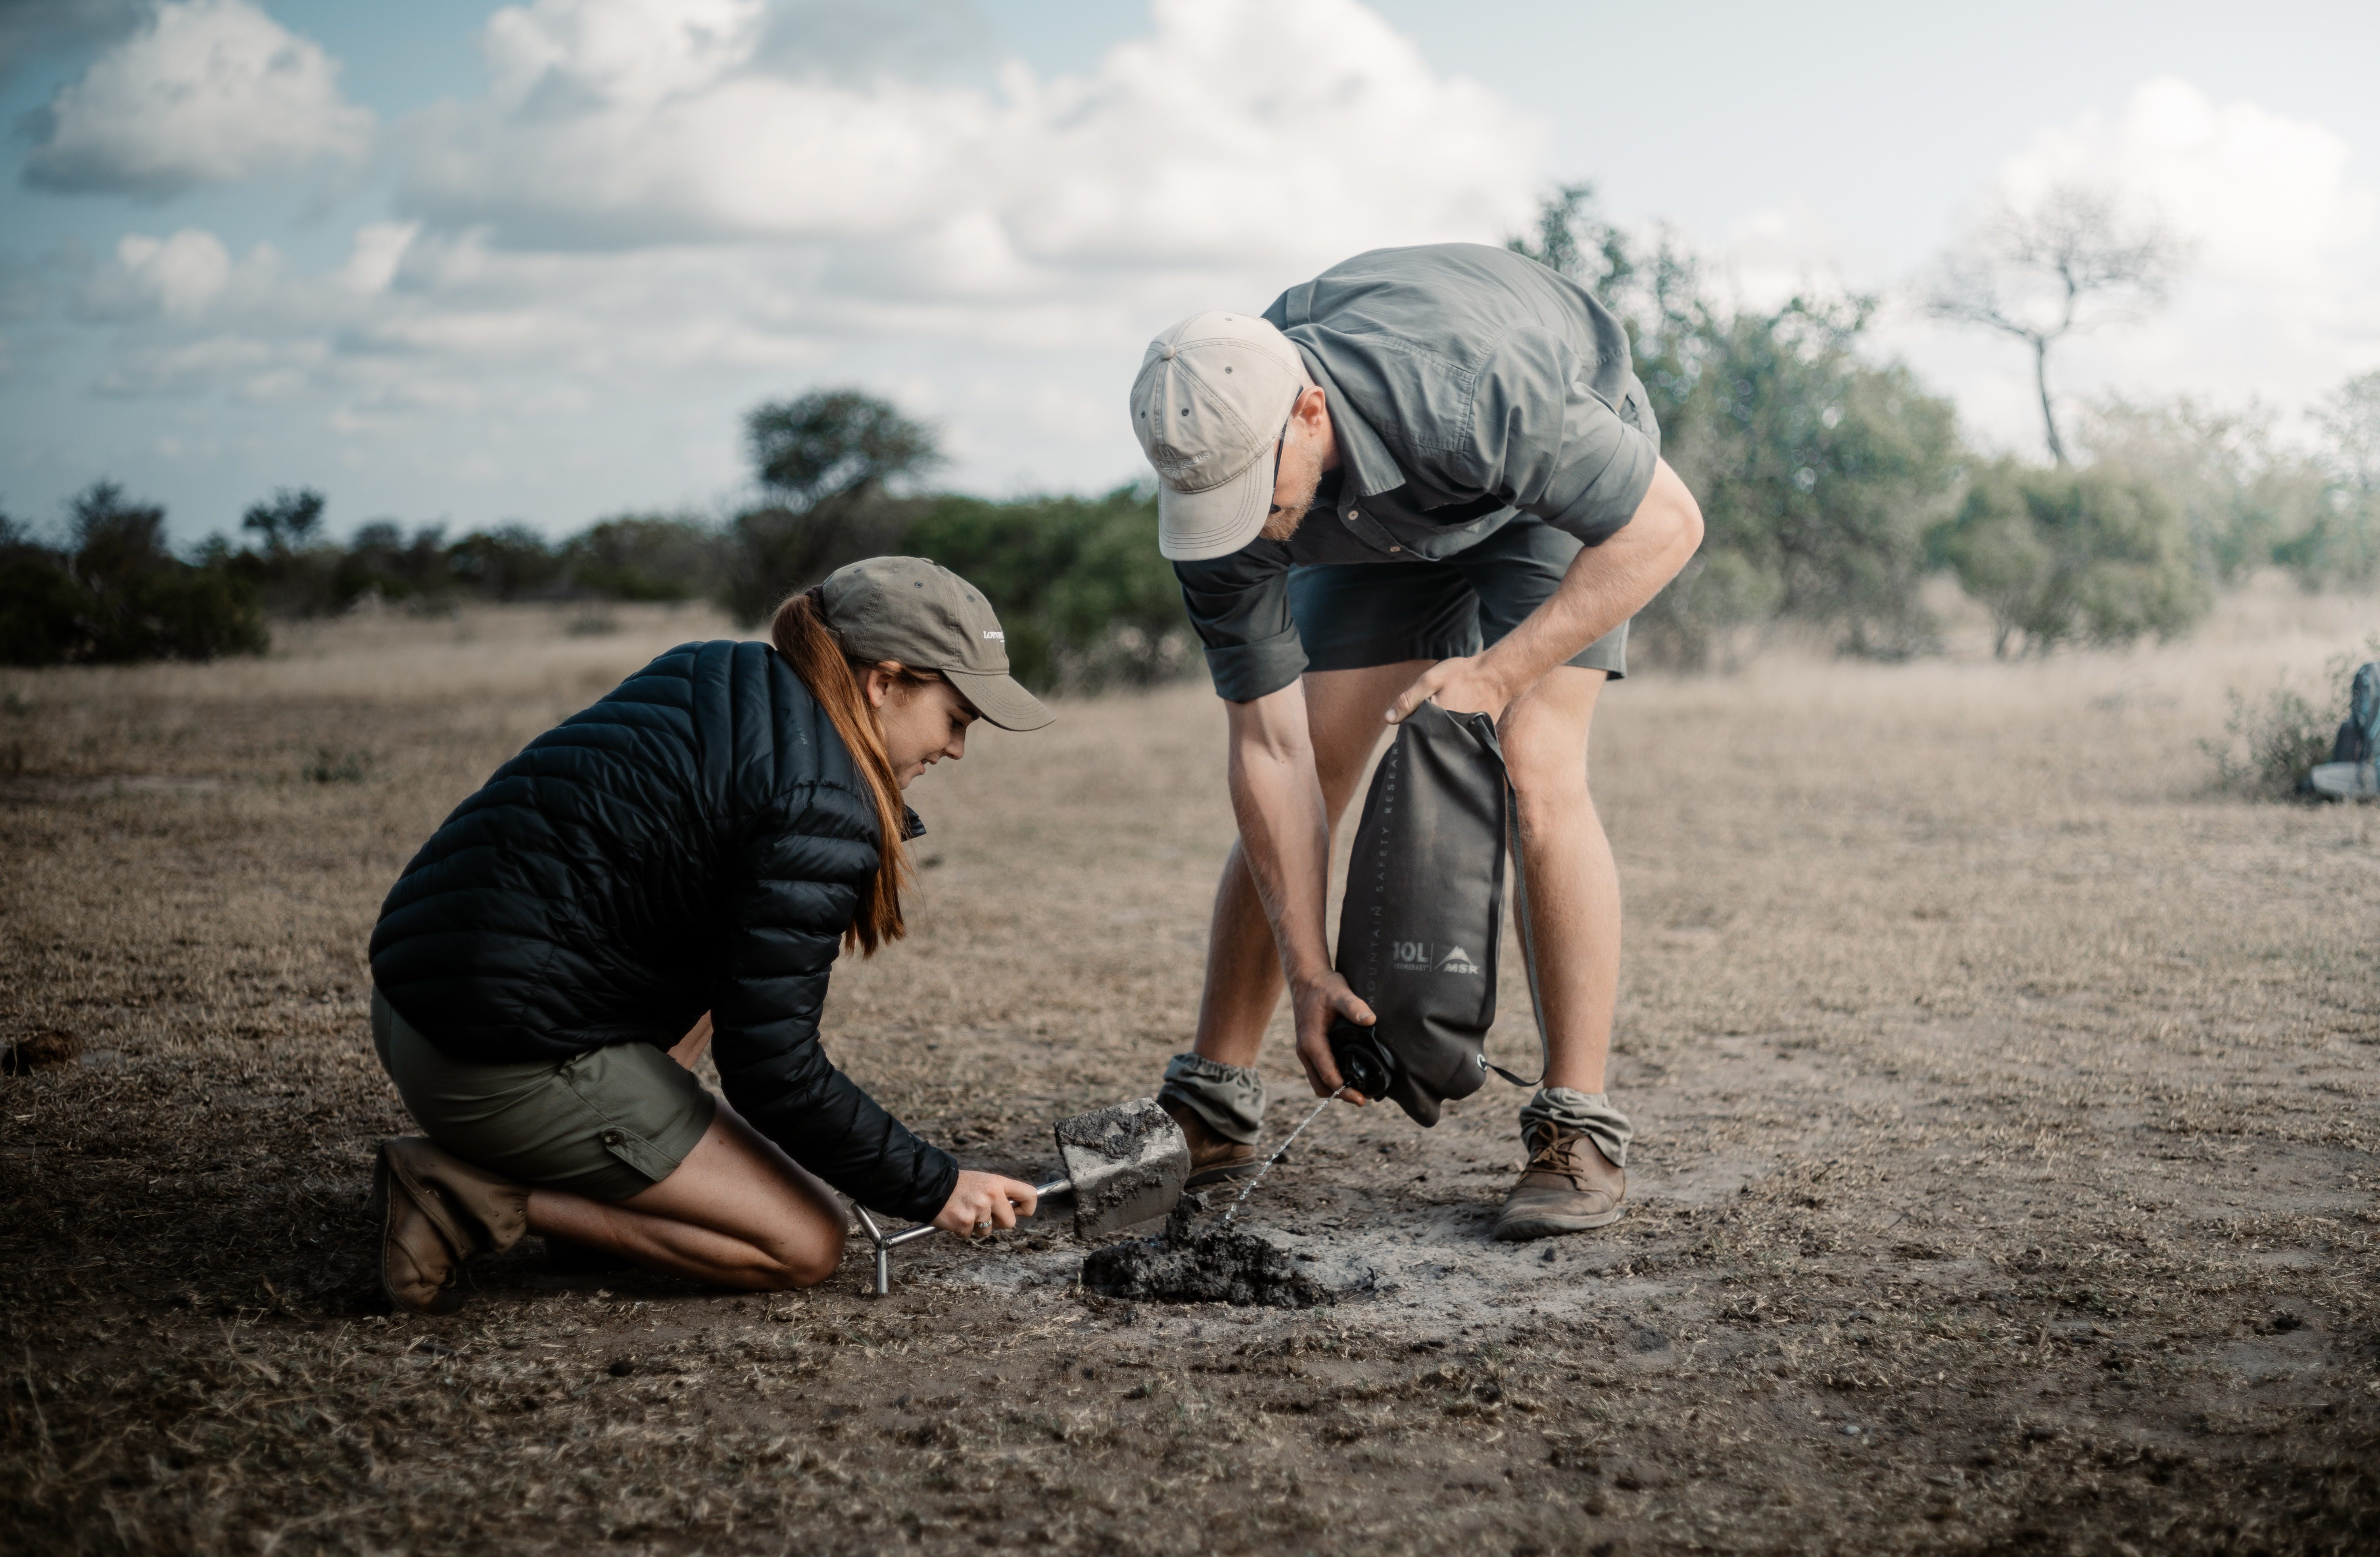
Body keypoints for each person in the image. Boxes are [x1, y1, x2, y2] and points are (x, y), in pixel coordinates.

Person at [1128, 243, 1704, 1241]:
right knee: (1322, 744)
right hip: (1371, 516)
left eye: (1255, 495)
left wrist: (1492, 677)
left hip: (1538, 493)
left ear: (1309, 411)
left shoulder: (1469, 389)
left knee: (1535, 762)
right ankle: (1213, 1106)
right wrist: (1312, 969)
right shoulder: (1219, 480)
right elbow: (1271, 754)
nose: (1248, 527)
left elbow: (1667, 525)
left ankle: (1578, 1124)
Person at [363, 557, 1054, 1313]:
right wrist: (937, 1184)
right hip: (490, 1062)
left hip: (417, 1010)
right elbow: (772, 1069)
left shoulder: (719, 674)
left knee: (730, 969)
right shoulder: (819, 797)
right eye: (956, 719)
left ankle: (601, 1191)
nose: (956, 748)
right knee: (802, 1242)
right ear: (884, 684)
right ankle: (469, 1194)